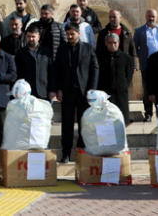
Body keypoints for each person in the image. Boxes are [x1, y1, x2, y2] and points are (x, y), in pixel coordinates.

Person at [51, 23, 98, 163]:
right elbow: (57, 70)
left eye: (72, 34)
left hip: (84, 93)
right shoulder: (62, 49)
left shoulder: (88, 48)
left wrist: (92, 90)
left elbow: (94, 69)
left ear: (78, 33)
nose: (70, 37)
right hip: (67, 92)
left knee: (84, 122)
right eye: (68, 34)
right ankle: (66, 153)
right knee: (67, 124)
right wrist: (59, 89)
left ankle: (81, 149)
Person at [133, 9, 158, 122]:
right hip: (147, 65)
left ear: (156, 17)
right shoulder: (139, 31)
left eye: (153, 16)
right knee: (147, 90)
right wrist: (140, 57)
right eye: (149, 16)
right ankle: (148, 114)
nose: (151, 18)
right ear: (145, 17)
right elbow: (134, 47)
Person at [97, 33, 134, 123]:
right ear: (106, 43)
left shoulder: (126, 58)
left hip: (120, 92)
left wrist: (123, 86)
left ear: (118, 43)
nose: (112, 45)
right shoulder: (99, 57)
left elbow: (128, 75)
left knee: (120, 119)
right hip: (105, 92)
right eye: (110, 43)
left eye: (114, 43)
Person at [14, 26, 54, 100]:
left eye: (33, 36)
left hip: (44, 92)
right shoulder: (21, 53)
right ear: (25, 37)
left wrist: (52, 90)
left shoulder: (46, 52)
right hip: (26, 93)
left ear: (38, 37)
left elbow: (51, 72)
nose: (31, 39)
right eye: (28, 36)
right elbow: (17, 73)